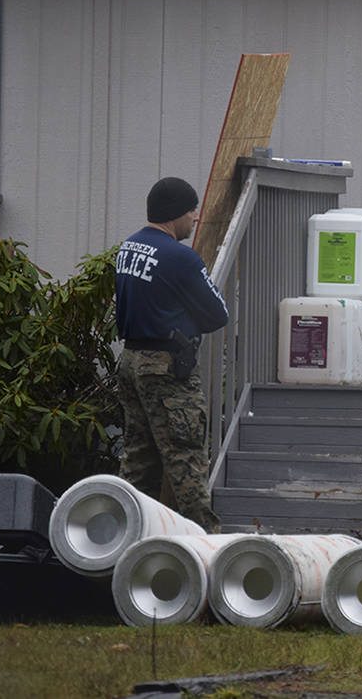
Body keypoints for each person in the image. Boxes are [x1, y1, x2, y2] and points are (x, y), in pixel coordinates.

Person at [114, 176, 228, 532]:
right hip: (166, 369)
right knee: (186, 460)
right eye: (192, 210)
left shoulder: (128, 248)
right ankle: (206, 547)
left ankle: (124, 538)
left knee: (139, 459)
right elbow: (217, 313)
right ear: (176, 213)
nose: (195, 218)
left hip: (131, 362)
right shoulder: (181, 257)